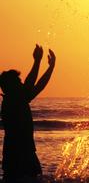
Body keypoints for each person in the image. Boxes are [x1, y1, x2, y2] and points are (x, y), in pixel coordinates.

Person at [0, 44, 56, 182]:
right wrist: (37, 61)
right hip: (18, 154)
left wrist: (50, 67)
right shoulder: (12, 101)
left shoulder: (18, 99)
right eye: (18, 82)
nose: (21, 84)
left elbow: (38, 86)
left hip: (25, 152)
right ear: (10, 86)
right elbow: (30, 83)